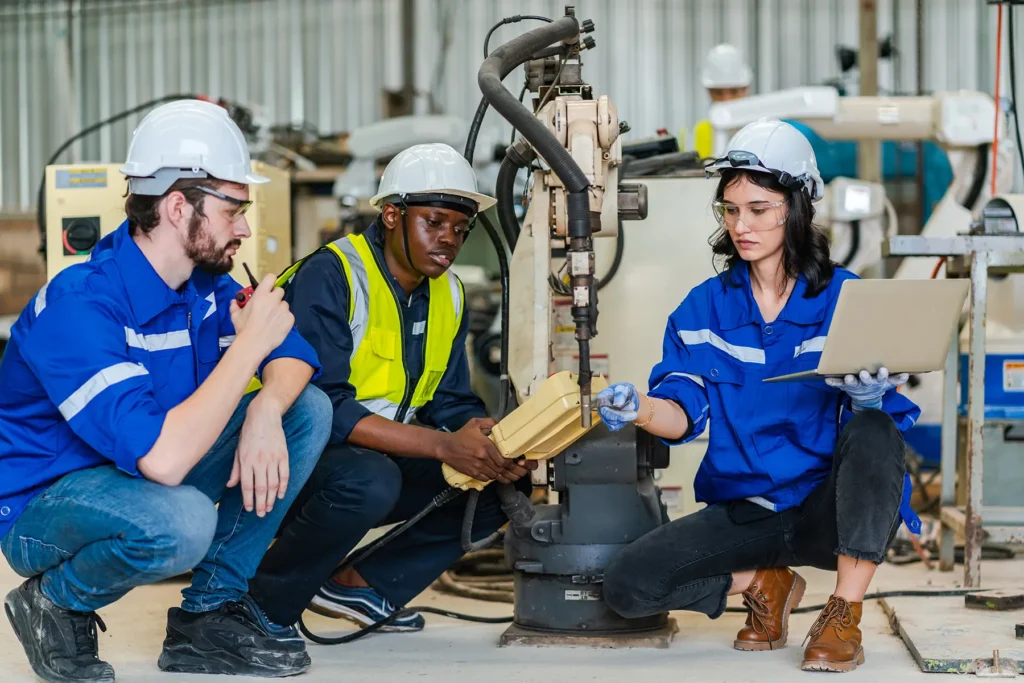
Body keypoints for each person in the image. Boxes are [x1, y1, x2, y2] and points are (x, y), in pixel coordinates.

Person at [0, 99, 332, 681]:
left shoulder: (206, 286)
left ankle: (206, 620)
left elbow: (295, 361)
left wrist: (266, 412)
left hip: (136, 474)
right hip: (43, 506)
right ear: (179, 207)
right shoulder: (81, 305)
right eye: (233, 209)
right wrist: (249, 350)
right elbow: (165, 458)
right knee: (180, 522)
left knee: (305, 410)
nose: (246, 227)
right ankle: (55, 602)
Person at [593, 118, 921, 673]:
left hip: (827, 512)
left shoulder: (846, 298)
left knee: (875, 429)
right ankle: (766, 584)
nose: (740, 225)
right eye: (730, 210)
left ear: (796, 208)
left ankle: (844, 611)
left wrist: (868, 401)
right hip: (746, 512)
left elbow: (881, 436)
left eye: (758, 209)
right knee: (627, 586)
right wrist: (640, 409)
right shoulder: (703, 309)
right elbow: (684, 414)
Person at [243, 143, 536, 636]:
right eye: (435, 222)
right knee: (370, 481)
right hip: (277, 452)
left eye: (460, 230)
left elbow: (450, 400)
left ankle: (362, 588)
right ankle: (260, 608)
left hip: (372, 452)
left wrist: (491, 442)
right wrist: (445, 445)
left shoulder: (450, 292)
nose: (449, 240)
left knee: (499, 485)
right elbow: (325, 407)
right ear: (393, 215)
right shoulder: (331, 274)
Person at [680, 44, 754, 159]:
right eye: (718, 93)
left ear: (746, 89)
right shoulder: (694, 133)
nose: (726, 99)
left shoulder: (762, 131)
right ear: (708, 91)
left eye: (734, 92)